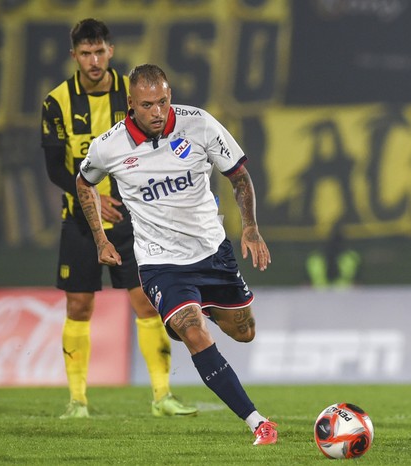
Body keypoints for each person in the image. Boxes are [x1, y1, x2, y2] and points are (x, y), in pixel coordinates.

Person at [75, 64, 278, 446]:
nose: (157, 112)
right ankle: (258, 422)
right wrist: (100, 238)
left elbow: (238, 176)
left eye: (163, 102)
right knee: (193, 329)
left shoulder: (199, 124)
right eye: (148, 105)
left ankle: (200, 310)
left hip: (212, 251)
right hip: (160, 263)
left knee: (244, 333)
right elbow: (84, 183)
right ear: (130, 104)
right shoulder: (108, 146)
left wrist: (250, 227)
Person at [41, 19, 197, 419]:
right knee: (78, 306)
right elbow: (55, 169)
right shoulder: (56, 102)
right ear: (74, 56)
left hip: (131, 218)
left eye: (100, 52)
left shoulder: (132, 98)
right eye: (85, 53)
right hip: (79, 218)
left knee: (146, 302)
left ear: (111, 51)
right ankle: (77, 401)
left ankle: (162, 396)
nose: (94, 61)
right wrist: (91, 196)